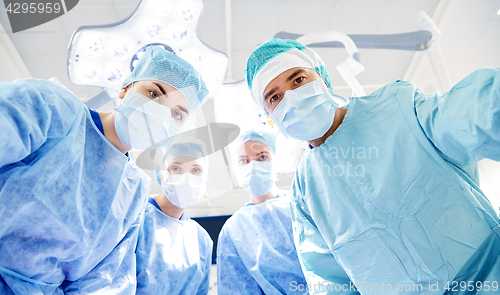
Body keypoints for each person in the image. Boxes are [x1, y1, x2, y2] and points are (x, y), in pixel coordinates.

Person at [244, 38, 500, 294]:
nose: (292, 99)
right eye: (274, 97)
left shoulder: (397, 107)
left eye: (298, 80)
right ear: (270, 115)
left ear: (322, 78)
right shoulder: (305, 192)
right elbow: (329, 282)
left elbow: (471, 114)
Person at [0, 45, 209, 294]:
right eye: (154, 94)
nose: (161, 114)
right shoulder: (52, 107)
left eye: (176, 114)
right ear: (124, 90)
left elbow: (103, 280)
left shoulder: (133, 191)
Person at [217, 127, 308, 295]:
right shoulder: (233, 230)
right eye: (244, 161)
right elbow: (236, 288)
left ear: (276, 160)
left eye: (262, 157)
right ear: (235, 168)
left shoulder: (302, 206)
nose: (253, 166)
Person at [135, 139, 213, 295]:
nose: (186, 178)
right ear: (161, 174)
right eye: (176, 168)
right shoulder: (136, 221)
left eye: (196, 170)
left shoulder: (201, 240)